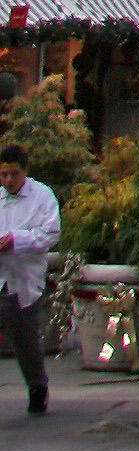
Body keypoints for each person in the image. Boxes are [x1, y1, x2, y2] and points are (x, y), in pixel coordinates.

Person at [0, 141, 59, 420]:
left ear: (25, 172)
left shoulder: (42, 197)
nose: (8, 180)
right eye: (3, 175)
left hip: (23, 279)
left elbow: (50, 234)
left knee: (25, 339)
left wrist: (16, 241)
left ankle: (37, 387)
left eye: (13, 174)